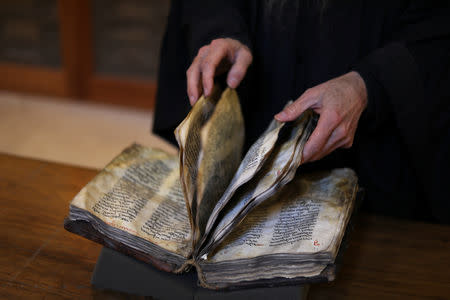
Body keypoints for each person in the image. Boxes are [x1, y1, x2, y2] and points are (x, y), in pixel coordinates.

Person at [153, 1, 450, 223]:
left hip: (373, 168)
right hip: (253, 116)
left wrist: (367, 85)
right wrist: (222, 32)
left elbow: (436, 27)